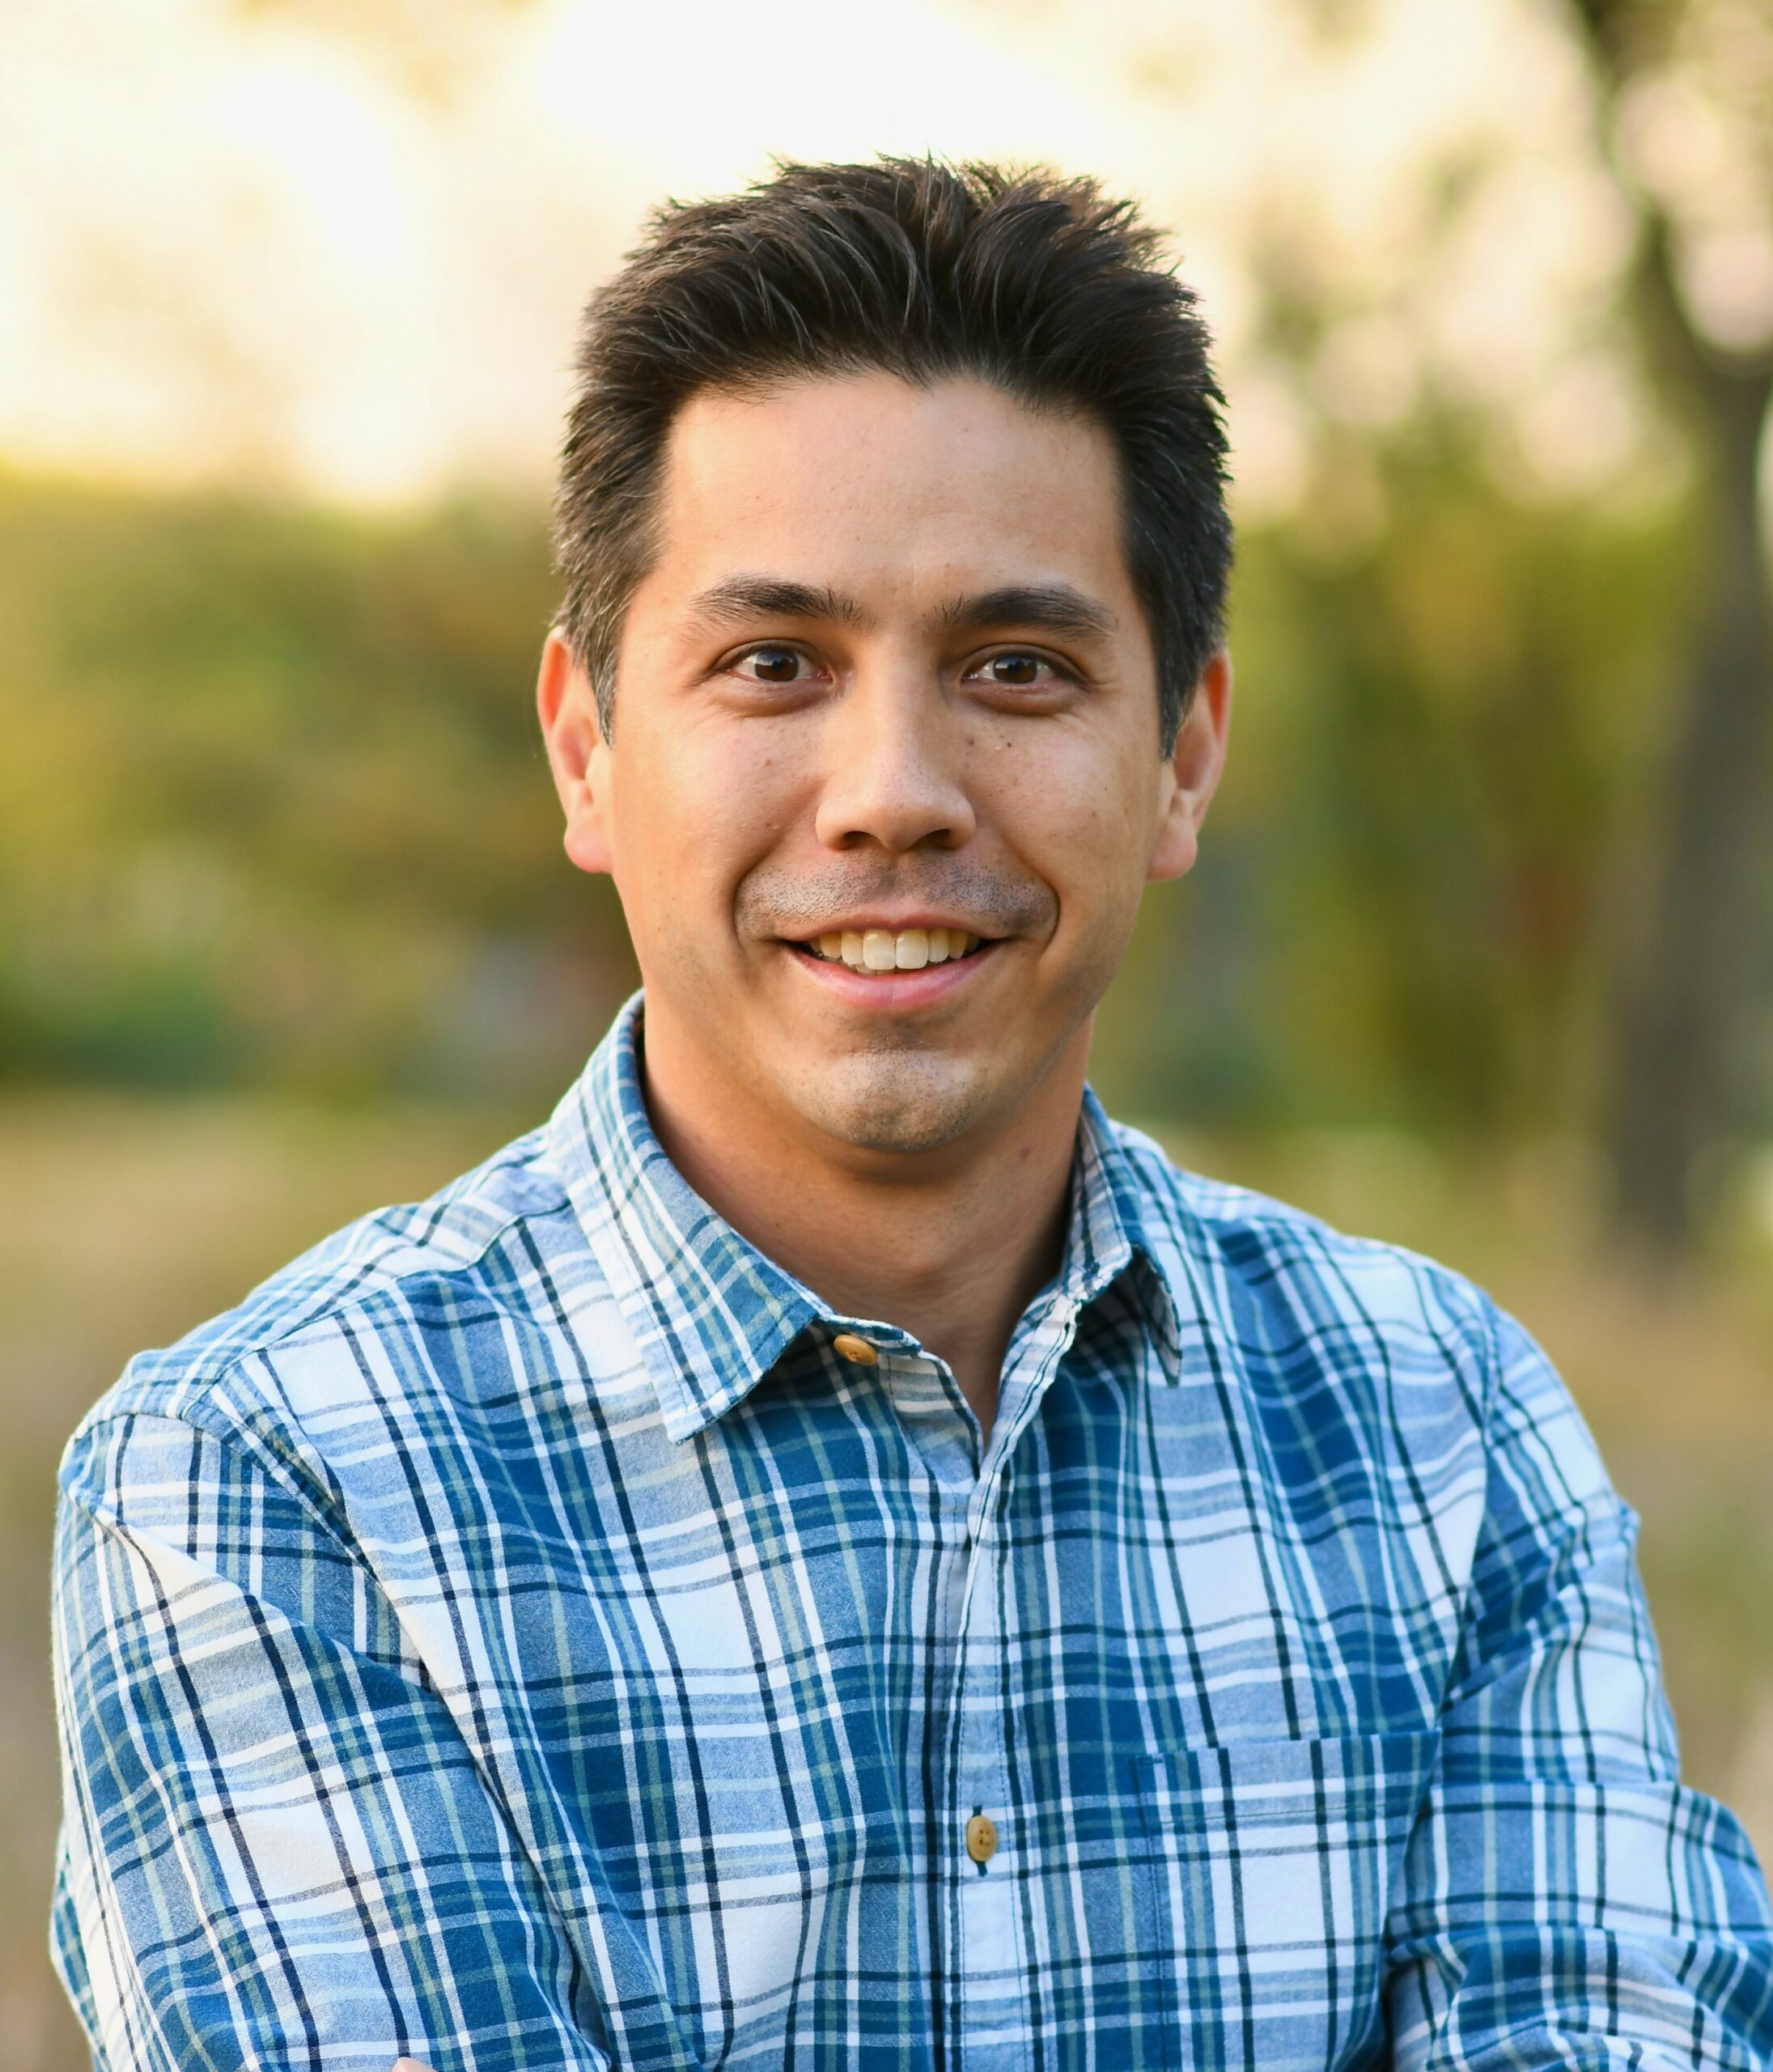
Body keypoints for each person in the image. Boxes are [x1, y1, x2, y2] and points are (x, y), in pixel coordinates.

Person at [50, 156, 1773, 2072]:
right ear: (588, 745)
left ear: (1183, 756)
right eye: (772, 662)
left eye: (1013, 668)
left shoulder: (1446, 1429)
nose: (893, 793)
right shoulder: (270, 1487)